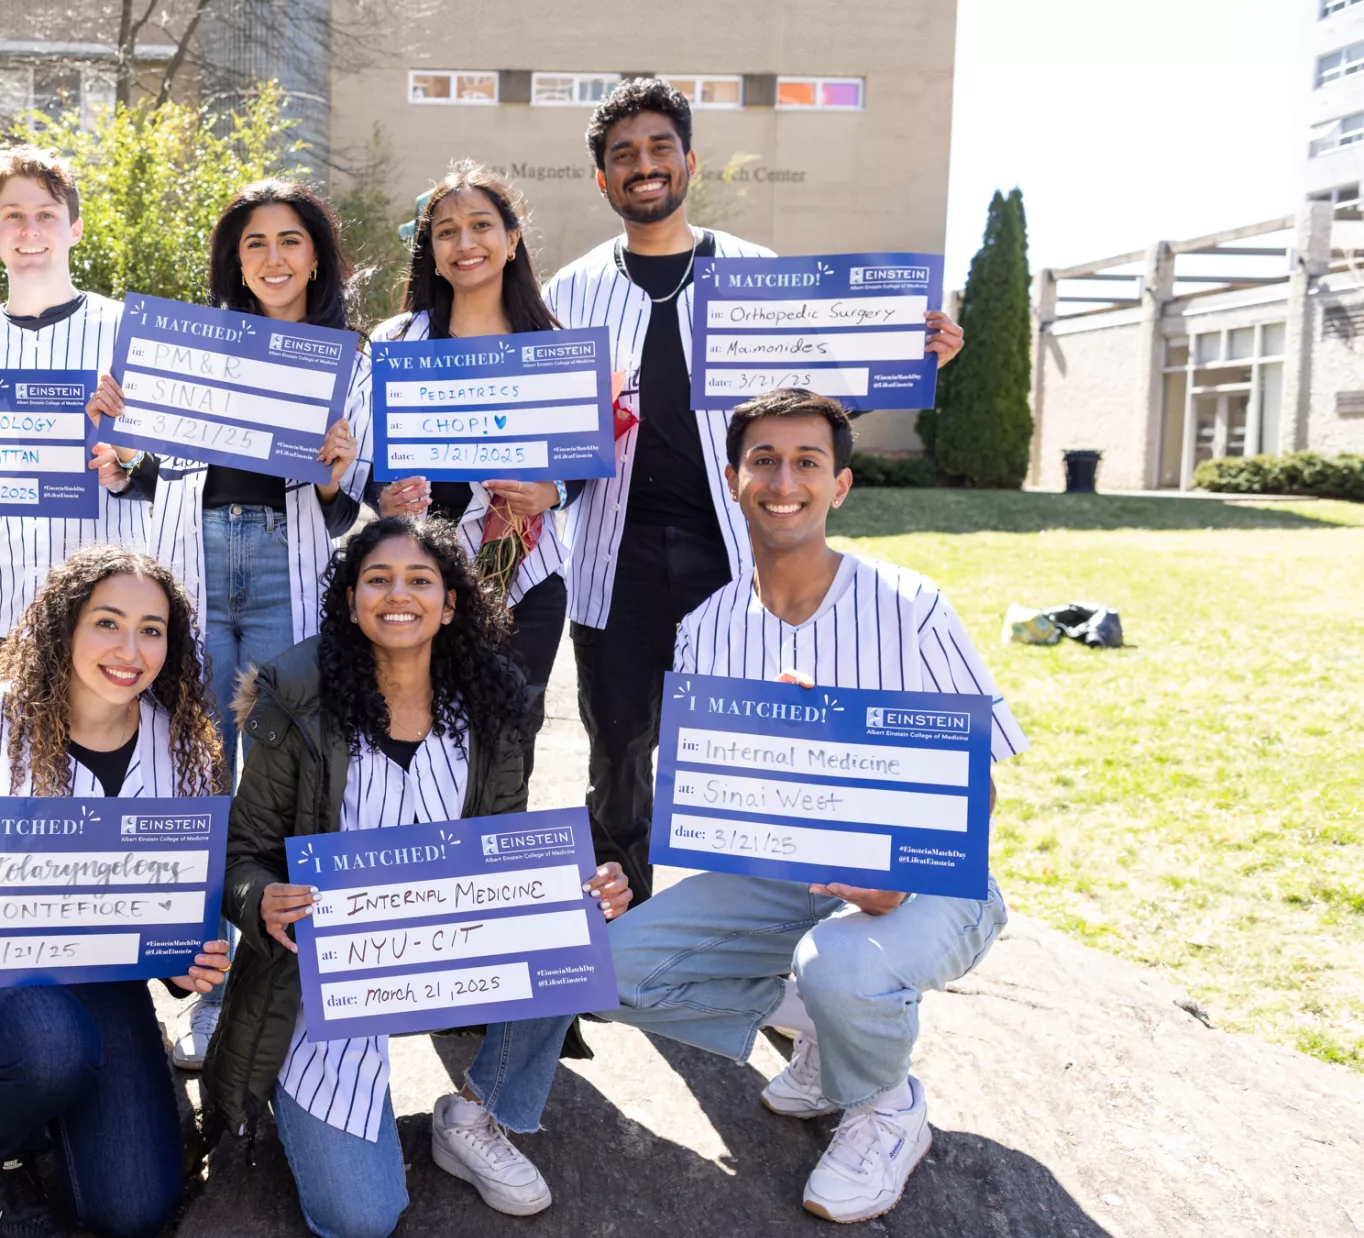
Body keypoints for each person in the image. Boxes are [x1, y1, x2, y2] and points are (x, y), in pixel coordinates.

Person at [602, 388, 1025, 1224]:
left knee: (847, 967)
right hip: (784, 877)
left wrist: (887, 872)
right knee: (608, 969)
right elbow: (724, 790)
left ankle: (884, 1104)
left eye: (807, 462)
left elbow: (981, 782)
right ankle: (832, 1039)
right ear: (733, 479)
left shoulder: (909, 605)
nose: (783, 479)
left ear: (840, 485)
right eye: (763, 460)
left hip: (933, 880)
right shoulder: (707, 628)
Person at [542, 78, 966, 905]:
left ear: (689, 161)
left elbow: (814, 405)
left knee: (763, 752)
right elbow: (551, 432)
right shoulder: (568, 295)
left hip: (738, 561)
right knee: (618, 756)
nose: (644, 166)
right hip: (611, 563)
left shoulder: (757, 276)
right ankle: (621, 938)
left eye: (661, 148)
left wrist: (911, 359)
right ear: (602, 180)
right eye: (623, 155)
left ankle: (767, 948)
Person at [201, 516, 633, 1237]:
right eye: (377, 579)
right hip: (327, 976)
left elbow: (503, 855)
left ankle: (474, 1113)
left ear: (451, 602)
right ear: (348, 601)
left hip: (444, 958)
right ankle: (296, 1094)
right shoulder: (294, 693)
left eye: (419, 580)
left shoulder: (494, 700)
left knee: (576, 932)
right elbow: (242, 853)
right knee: (362, 1217)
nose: (397, 594)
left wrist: (580, 889)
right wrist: (259, 902)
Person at [82, 179, 369, 1070]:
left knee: (285, 781)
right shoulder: (193, 347)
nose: (274, 257)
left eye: (290, 240)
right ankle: (203, 988)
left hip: (288, 563)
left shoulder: (349, 358)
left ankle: (283, 979)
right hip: (197, 563)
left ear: (316, 254)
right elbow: (152, 468)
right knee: (197, 775)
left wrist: (334, 473)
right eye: (254, 244)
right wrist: (119, 458)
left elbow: (351, 503)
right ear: (234, 262)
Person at [0, 547, 231, 1238]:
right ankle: (4, 1157)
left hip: (100, 974)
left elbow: (178, 921)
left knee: (134, 1210)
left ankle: (108, 1069)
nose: (130, 649)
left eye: (153, 629)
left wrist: (192, 965)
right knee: (50, 1047)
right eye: (108, 622)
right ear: (65, 626)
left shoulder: (181, 746)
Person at [368, 162, 571, 770]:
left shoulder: (554, 344)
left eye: (481, 225)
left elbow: (583, 459)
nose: (465, 243)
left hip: (528, 581)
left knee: (508, 748)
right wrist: (384, 498)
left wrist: (552, 490)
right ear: (429, 250)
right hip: (418, 579)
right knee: (414, 742)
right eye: (446, 231)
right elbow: (371, 464)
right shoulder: (399, 343)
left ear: (512, 241)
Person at [0, 145, 152, 681]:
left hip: (108, 609)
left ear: (74, 228)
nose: (30, 229)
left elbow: (175, 476)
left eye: (46, 215)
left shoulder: (129, 334)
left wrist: (127, 463)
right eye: (14, 216)